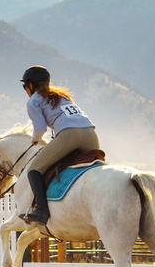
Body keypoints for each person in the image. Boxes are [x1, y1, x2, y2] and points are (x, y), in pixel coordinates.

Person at [20, 65, 99, 225]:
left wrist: (35, 139)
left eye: (25, 86)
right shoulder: (62, 96)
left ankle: (41, 210)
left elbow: (40, 128)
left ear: (30, 84)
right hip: (91, 134)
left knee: (34, 169)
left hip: (70, 135)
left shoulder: (33, 101)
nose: (25, 89)